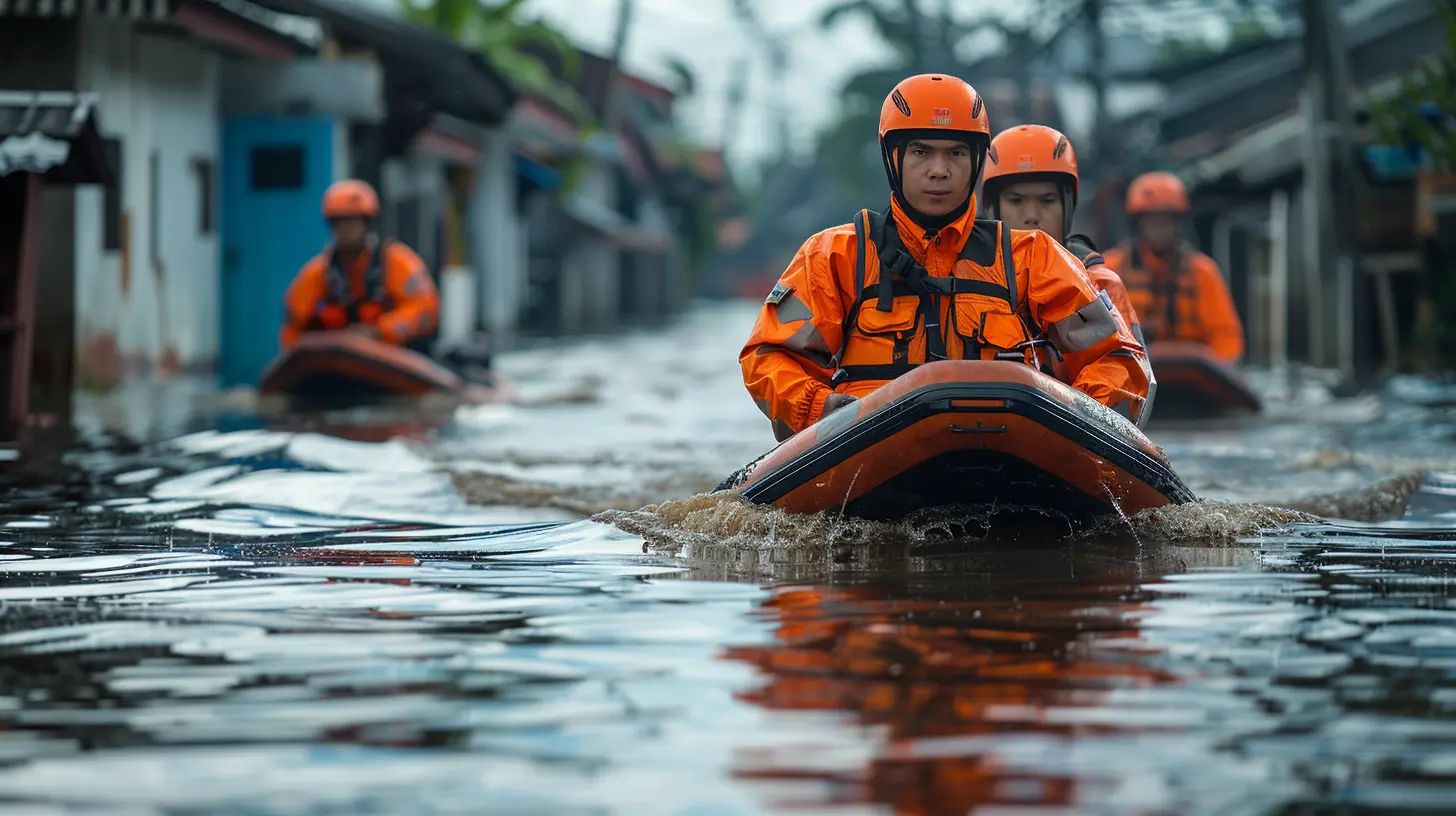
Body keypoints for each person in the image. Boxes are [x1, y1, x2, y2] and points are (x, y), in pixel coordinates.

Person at [740, 74, 1150, 442]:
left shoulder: (1034, 258)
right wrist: (820, 410)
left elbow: (1116, 357)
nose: (939, 170)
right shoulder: (835, 256)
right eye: (921, 152)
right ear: (893, 158)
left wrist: (1077, 427)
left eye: (956, 153)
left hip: (1007, 452)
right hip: (873, 452)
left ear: (976, 161)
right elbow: (770, 357)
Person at [980, 124, 1147, 349]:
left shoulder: (1099, 287)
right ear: (993, 209)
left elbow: (1126, 374)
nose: (1031, 216)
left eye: (1047, 201)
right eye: (1016, 201)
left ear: (1067, 208)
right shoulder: (967, 282)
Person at [1102, 172, 1245, 365]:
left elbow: (1225, 336)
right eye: (1153, 220)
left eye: (1167, 220)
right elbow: (1099, 331)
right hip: (1133, 369)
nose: (1161, 228)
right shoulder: (1111, 267)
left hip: (1191, 374)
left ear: (1178, 223)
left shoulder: (1202, 271)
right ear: (1139, 223)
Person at [280, 179, 440, 353]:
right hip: (337, 363)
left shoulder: (397, 262)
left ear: (367, 222)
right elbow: (293, 325)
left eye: (353, 221)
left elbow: (425, 309)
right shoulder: (318, 272)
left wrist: (378, 332)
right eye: (339, 222)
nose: (346, 229)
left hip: (392, 357)